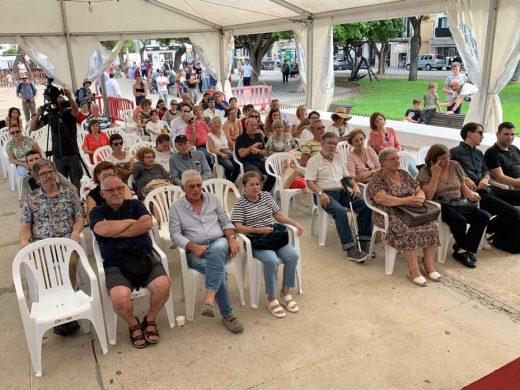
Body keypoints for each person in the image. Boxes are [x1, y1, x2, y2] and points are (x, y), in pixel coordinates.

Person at [90, 173, 171, 348]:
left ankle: (149, 320)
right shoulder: (97, 212)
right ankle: (133, 323)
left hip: (144, 258)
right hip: (115, 264)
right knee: (119, 299)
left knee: (163, 286)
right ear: (102, 193)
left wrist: (115, 232)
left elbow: (147, 224)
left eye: (119, 188)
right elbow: (101, 228)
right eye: (110, 190)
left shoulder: (135, 204)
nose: (116, 192)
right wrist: (131, 222)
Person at [169, 170, 244, 332]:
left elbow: (225, 222)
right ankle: (228, 315)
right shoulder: (176, 208)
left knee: (217, 249)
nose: (196, 189)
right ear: (183, 188)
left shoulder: (213, 200)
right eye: (191, 186)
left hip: (219, 242)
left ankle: (210, 298)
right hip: (196, 251)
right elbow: (174, 234)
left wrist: (231, 238)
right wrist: (193, 246)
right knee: (219, 272)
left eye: (199, 185)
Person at [20, 159, 84, 335]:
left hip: (66, 243)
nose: (48, 176)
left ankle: (70, 309)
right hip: (42, 246)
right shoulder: (31, 198)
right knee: (44, 272)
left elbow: (80, 217)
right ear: (37, 178)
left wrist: (76, 232)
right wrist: (25, 244)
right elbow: (25, 226)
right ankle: (56, 312)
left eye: (50, 172)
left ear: (56, 173)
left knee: (69, 265)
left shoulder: (70, 194)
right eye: (43, 174)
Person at [231, 171, 303, 318]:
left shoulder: (266, 196)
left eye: (257, 184)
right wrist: (257, 230)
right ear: (244, 187)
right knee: (271, 260)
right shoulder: (240, 203)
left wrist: (294, 222)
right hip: (256, 240)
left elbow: (277, 215)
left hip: (273, 236)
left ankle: (285, 291)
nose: (255, 187)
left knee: (293, 256)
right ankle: (271, 296)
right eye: (251, 185)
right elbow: (237, 227)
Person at [366, 148, 440, 286]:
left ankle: (428, 265)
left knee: (432, 227)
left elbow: (419, 191)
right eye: (392, 159)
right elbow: (382, 199)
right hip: (388, 213)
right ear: (383, 162)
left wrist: (418, 198)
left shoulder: (404, 174)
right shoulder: (378, 178)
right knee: (408, 230)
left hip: (411, 212)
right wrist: (406, 201)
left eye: (398, 158)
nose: (397, 161)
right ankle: (413, 271)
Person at [450, 122, 520, 253]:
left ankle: (498, 234)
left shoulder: (479, 154)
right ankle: (492, 232)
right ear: (469, 134)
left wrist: (485, 178)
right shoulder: (454, 152)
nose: (483, 136)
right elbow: (451, 172)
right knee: (515, 213)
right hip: (476, 194)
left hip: (489, 189)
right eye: (480, 133)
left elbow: (486, 171)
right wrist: (466, 178)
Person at [417, 144, 489, 268]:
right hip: (441, 205)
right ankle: (463, 251)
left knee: (483, 217)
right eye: (443, 158)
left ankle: (463, 248)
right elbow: (428, 196)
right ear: (433, 160)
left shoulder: (454, 165)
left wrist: (470, 194)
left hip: (458, 201)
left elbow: (462, 186)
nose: (447, 161)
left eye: (448, 157)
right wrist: (435, 175)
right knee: (459, 220)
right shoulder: (426, 171)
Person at [305, 132, 373, 261]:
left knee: (365, 204)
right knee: (340, 211)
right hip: (325, 193)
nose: (332, 146)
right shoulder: (313, 161)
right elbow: (309, 182)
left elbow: (347, 177)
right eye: (329, 143)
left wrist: (355, 186)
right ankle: (350, 248)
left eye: (334, 144)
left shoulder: (338, 158)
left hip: (342, 191)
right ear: (322, 144)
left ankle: (364, 241)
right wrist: (320, 193)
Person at [30, 88, 82, 190]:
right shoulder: (51, 115)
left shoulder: (69, 113)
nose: (57, 102)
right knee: (60, 182)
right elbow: (33, 127)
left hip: (72, 153)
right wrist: (38, 114)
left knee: (76, 181)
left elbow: (76, 110)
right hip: (58, 154)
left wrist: (70, 98)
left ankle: (77, 201)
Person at [235, 118, 275, 192]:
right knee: (258, 177)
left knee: (273, 174)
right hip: (247, 163)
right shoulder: (241, 138)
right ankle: (256, 194)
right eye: (252, 125)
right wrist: (251, 148)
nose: (254, 127)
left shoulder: (258, 137)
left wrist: (258, 151)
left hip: (260, 161)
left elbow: (265, 152)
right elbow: (242, 154)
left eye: (256, 125)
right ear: (246, 126)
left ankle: (263, 193)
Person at [484, 122, 520, 188]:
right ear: (497, 134)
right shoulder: (492, 153)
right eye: (506, 134)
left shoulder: (514, 148)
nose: (510, 137)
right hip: (513, 187)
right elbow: (500, 177)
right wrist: (518, 182)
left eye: (512, 134)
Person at [207, 117, 239, 182]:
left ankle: (231, 181)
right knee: (230, 166)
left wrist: (233, 147)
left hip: (228, 152)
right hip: (219, 154)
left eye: (218, 122)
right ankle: (229, 180)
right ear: (211, 125)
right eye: (214, 123)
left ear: (220, 124)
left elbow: (229, 143)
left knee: (238, 165)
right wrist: (221, 154)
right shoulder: (209, 135)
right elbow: (211, 149)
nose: (217, 124)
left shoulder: (223, 132)